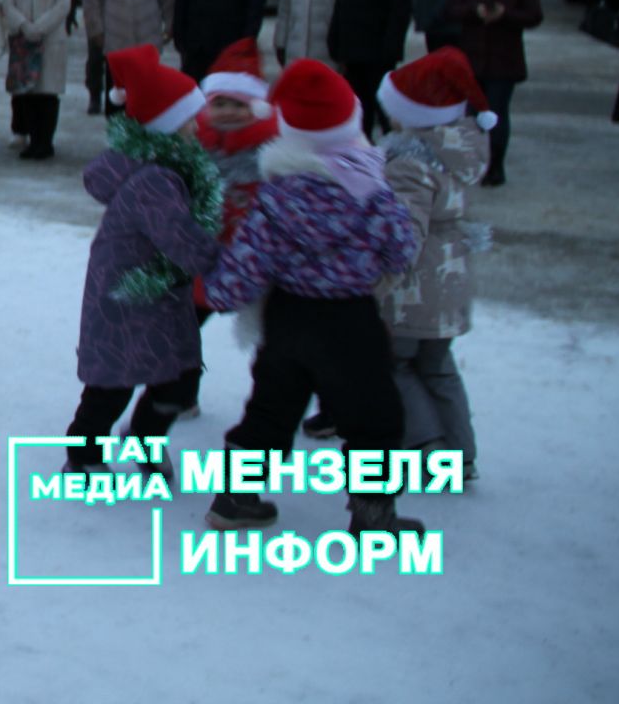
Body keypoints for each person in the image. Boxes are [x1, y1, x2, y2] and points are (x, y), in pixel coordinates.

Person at [199, 60, 423, 536]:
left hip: (289, 318)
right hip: (350, 320)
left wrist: (219, 293)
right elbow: (403, 248)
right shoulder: (372, 190)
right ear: (351, 122)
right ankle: (373, 514)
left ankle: (235, 498)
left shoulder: (277, 197)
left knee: (270, 409)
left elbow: (247, 259)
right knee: (373, 417)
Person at [63, 45, 221, 479]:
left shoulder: (164, 165)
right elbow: (179, 236)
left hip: (152, 292)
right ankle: (83, 455)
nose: (198, 125)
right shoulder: (156, 181)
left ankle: (145, 436)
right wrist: (221, 262)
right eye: (190, 118)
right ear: (167, 127)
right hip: (127, 296)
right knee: (112, 383)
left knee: (179, 377)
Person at [376, 49, 496, 482]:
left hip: (414, 289)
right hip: (451, 279)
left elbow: (405, 234)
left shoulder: (409, 164)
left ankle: (430, 449)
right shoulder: (461, 150)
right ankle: (462, 455)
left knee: (400, 364)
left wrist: (379, 284)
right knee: (439, 366)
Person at [184, 40, 279, 422]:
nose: (228, 112)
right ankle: (179, 391)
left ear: (256, 107)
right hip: (205, 257)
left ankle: (271, 405)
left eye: (238, 105)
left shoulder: (273, 152)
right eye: (220, 103)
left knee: (275, 341)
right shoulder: (194, 145)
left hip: (260, 261)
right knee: (185, 327)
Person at [446, 0, 543, 186]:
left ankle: (496, 166)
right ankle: (473, 163)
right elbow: (451, 9)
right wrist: (474, 11)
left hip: (505, 61)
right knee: (472, 117)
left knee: (496, 114)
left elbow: (534, 15)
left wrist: (506, 14)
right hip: (473, 60)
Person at [328, 0, 413, 138]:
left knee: (385, 108)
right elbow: (342, 3)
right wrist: (335, 39)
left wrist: (391, 47)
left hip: (378, 51)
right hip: (352, 51)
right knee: (357, 109)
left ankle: (394, 155)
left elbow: (400, 7)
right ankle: (361, 156)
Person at [3, 0, 70, 160]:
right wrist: (23, 24)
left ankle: (45, 142)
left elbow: (63, 4)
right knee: (28, 94)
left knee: (47, 94)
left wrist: (39, 27)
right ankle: (32, 141)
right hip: (23, 41)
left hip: (50, 40)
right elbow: (7, 3)